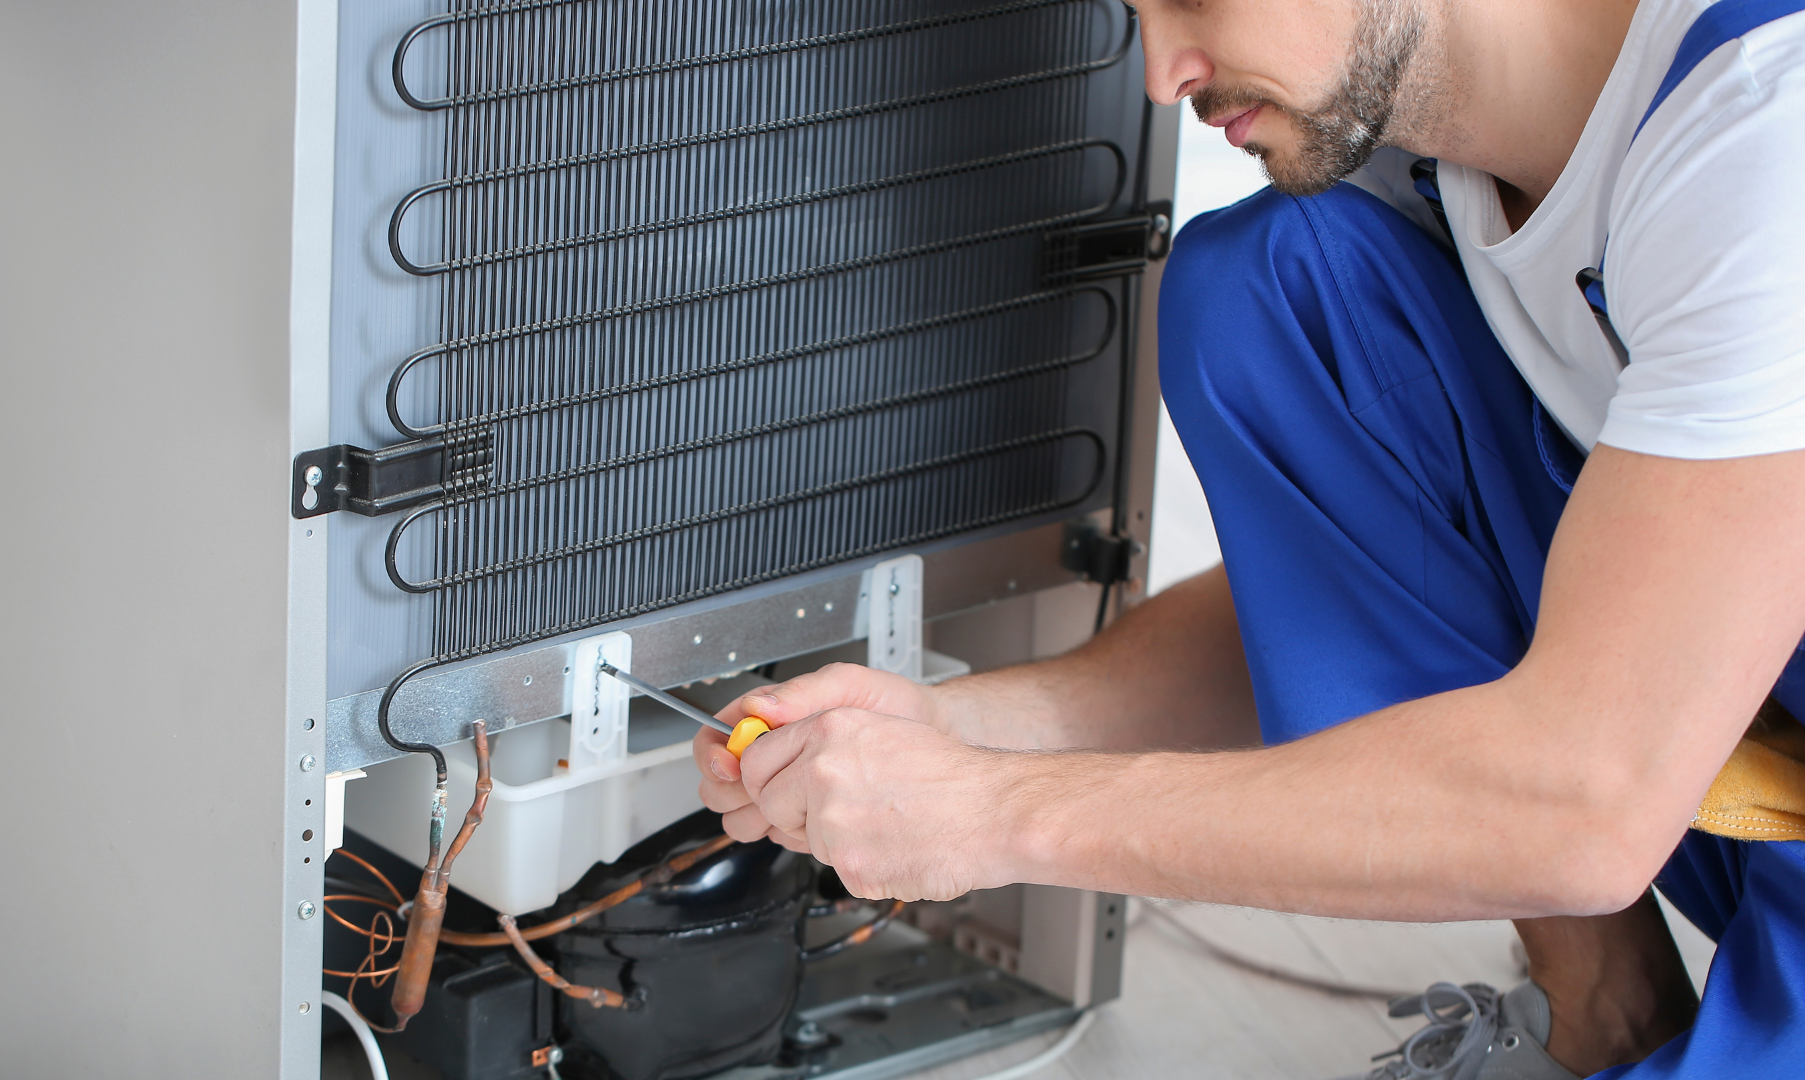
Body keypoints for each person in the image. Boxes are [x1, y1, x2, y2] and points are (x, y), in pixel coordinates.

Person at [694, 1, 1805, 1076]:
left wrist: (991, 816)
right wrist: (967, 730)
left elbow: (1591, 809)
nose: (1163, 73)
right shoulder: (1400, 159)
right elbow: (1358, 592)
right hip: (1715, 759)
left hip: (1645, 786)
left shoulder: (1767, 135)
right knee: (1273, 284)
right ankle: (1600, 1014)